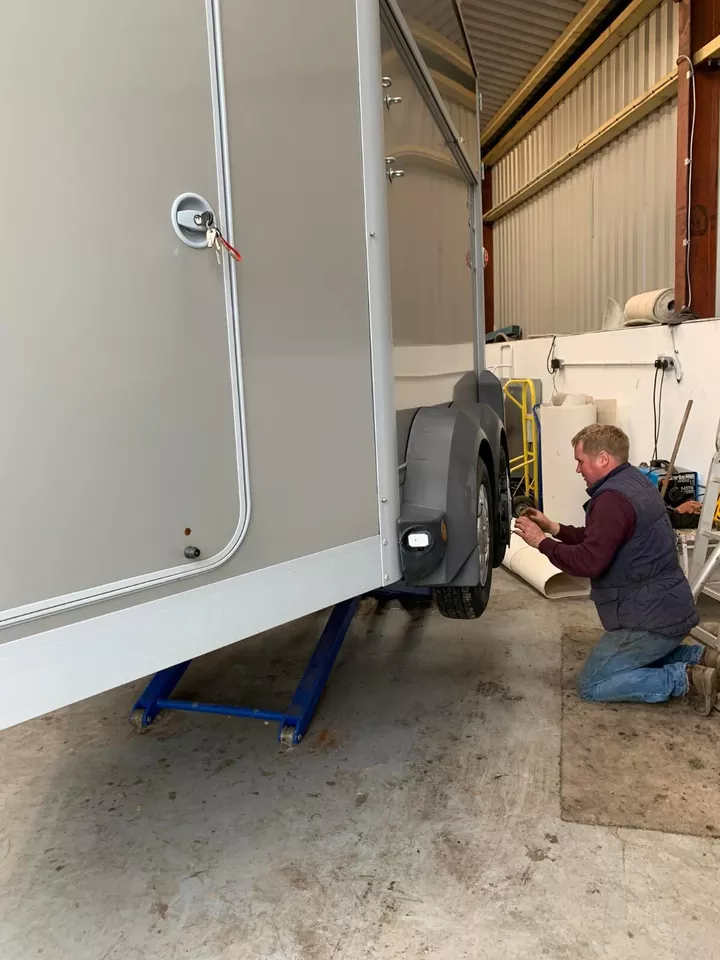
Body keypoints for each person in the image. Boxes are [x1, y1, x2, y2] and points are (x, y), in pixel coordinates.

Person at [514, 424, 716, 715]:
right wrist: (553, 528)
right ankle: (705, 658)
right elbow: (601, 539)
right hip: (669, 609)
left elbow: (588, 561)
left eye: (580, 461)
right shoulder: (633, 482)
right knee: (630, 660)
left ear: (603, 459)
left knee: (592, 684)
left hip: (649, 619)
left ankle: (687, 679)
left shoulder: (611, 500)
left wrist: (540, 542)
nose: (577, 469)